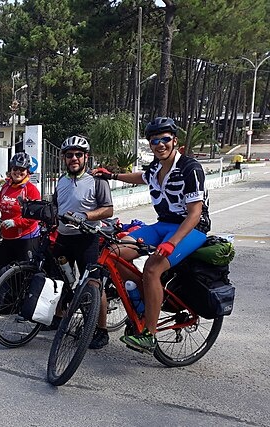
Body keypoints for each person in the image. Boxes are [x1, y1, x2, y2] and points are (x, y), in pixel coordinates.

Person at [95, 117, 210, 354]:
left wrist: (172, 244)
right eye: (154, 141)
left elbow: (195, 214)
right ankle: (144, 296)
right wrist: (112, 176)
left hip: (191, 228)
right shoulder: (156, 167)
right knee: (113, 252)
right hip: (163, 224)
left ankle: (149, 334)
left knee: (152, 267)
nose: (160, 145)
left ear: (175, 141)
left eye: (165, 139)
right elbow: (141, 177)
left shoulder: (190, 168)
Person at [52, 136, 114, 349]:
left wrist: (85, 216)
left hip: (87, 238)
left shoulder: (97, 181)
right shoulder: (61, 180)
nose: (74, 158)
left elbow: (108, 209)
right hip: (63, 237)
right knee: (59, 280)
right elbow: (56, 206)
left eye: (79, 154)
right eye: (69, 155)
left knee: (93, 284)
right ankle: (59, 317)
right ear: (64, 158)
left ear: (86, 157)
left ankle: (101, 330)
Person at [0, 152, 41, 318]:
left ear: (28, 171)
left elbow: (34, 216)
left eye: (21, 169)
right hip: (7, 237)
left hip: (26, 238)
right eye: (15, 169)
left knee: (23, 275)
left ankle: (24, 309)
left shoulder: (31, 190)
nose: (17, 172)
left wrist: (16, 222)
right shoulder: (6, 186)